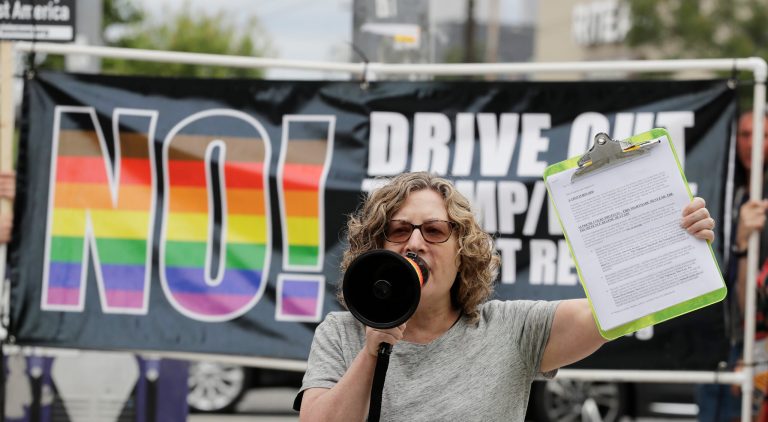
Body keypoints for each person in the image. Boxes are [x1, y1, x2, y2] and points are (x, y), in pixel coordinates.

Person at [293, 171, 716, 421]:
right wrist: (372, 350)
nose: (415, 244)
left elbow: (618, 304)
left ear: (462, 251)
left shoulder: (512, 330)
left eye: (435, 231)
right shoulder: (342, 335)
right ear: (378, 246)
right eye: (400, 230)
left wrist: (675, 239)